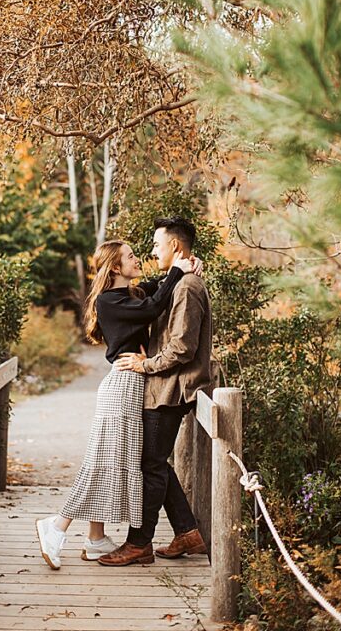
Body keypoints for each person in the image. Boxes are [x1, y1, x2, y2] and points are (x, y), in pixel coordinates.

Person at [34, 240, 200, 569]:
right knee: (102, 462)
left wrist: (184, 269)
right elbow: (154, 307)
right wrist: (176, 273)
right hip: (122, 385)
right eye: (130, 257)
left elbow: (154, 290)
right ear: (114, 267)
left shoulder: (130, 294)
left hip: (134, 384)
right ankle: (56, 526)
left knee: (112, 463)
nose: (138, 259)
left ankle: (96, 539)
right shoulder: (110, 301)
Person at [100, 216, 213, 567]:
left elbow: (181, 348)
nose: (152, 251)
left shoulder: (188, 288)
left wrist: (143, 365)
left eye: (156, 244)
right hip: (161, 388)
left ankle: (138, 543)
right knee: (156, 462)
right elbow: (151, 299)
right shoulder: (178, 284)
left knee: (150, 464)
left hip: (171, 389)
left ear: (175, 247)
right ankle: (187, 533)